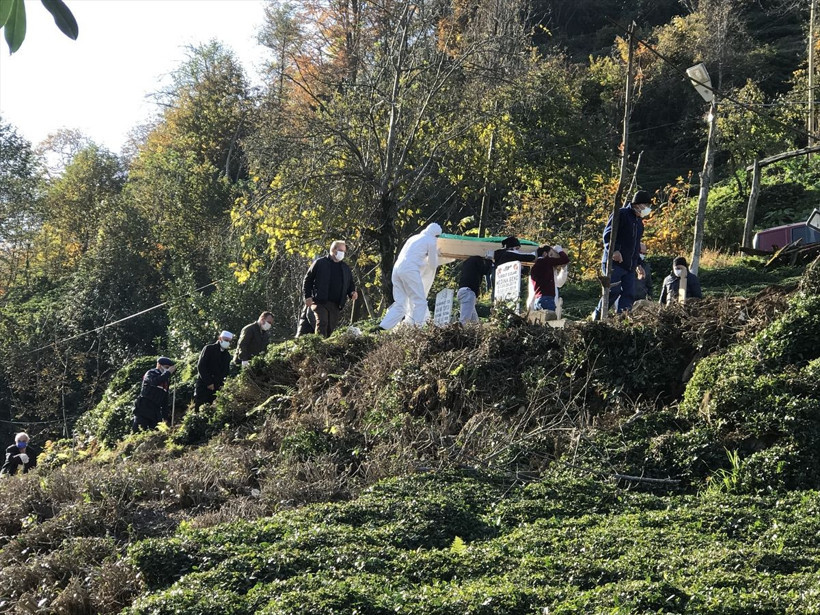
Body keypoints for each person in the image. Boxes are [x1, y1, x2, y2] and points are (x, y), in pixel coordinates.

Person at [592, 190, 652, 319]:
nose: (647, 209)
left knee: (629, 293)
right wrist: (614, 250)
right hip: (615, 263)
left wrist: (639, 264)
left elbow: (636, 245)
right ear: (638, 204)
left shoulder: (639, 223)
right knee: (612, 291)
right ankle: (597, 317)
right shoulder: (622, 214)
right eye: (646, 205)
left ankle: (622, 319)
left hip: (629, 265)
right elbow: (608, 235)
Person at [379, 223, 442, 329]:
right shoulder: (431, 241)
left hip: (397, 268)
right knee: (420, 302)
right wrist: (437, 254)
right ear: (436, 235)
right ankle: (416, 330)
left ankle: (382, 327)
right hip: (410, 270)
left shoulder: (414, 237)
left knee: (400, 304)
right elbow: (432, 264)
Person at [303, 240, 359, 337]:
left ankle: (324, 346)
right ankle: (319, 346)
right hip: (319, 301)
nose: (343, 253)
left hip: (336, 305)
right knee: (322, 323)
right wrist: (307, 296)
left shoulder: (345, 268)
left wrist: (352, 293)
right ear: (333, 249)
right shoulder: (320, 263)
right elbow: (308, 280)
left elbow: (350, 284)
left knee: (330, 329)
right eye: (341, 250)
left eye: (344, 251)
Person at [133, 357, 176, 432]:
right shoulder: (151, 373)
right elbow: (154, 382)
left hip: (156, 409)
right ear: (159, 365)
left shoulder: (165, 381)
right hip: (144, 406)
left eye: (169, 368)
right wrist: (168, 372)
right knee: (139, 429)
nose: (168, 370)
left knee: (155, 431)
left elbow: (164, 399)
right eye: (166, 367)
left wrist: (165, 417)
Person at [194, 331, 234, 411]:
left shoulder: (227, 355)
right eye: (226, 340)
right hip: (204, 384)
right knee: (200, 408)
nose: (227, 343)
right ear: (220, 338)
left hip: (217, 387)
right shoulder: (209, 348)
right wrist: (209, 382)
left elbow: (225, 372)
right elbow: (201, 366)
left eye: (229, 341)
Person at [529, 245, 570, 316]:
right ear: (545, 253)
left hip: (538, 299)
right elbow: (565, 259)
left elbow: (558, 282)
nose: (551, 257)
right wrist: (560, 250)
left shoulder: (534, 267)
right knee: (549, 321)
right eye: (550, 254)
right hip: (547, 298)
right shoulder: (546, 262)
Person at [457, 255, 493, 324]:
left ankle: (476, 332)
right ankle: (458, 333)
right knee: (464, 320)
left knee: (475, 322)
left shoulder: (467, 262)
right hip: (469, 292)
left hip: (463, 291)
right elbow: (485, 271)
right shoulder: (477, 260)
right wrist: (489, 260)